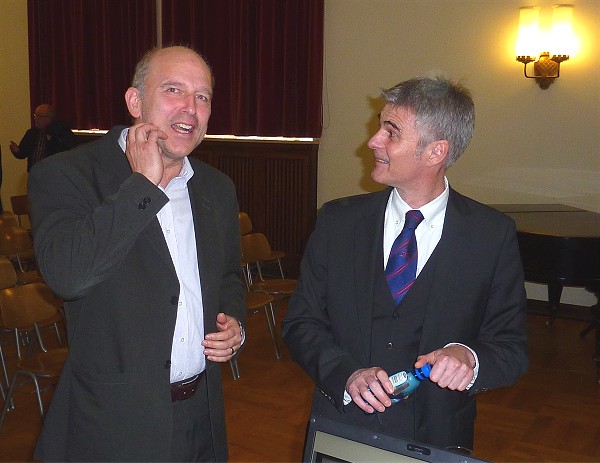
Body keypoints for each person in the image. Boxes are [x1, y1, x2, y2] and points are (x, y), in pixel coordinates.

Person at [282, 76, 528, 452]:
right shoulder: (338, 221)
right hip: (341, 429)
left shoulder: (491, 235)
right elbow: (302, 322)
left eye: (391, 132)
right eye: (380, 126)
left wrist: (469, 357)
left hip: (438, 437)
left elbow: (510, 348)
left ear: (435, 152)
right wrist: (345, 374)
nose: (373, 141)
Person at [28, 46, 246, 462]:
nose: (190, 108)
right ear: (135, 101)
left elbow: (229, 276)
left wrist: (234, 322)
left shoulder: (217, 188)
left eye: (202, 96)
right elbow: (69, 277)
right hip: (111, 426)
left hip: (201, 418)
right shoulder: (66, 175)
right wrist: (143, 186)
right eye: (173, 90)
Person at [10, 103, 75, 171]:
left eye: (39, 116)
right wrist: (17, 151)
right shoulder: (31, 133)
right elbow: (23, 153)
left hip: (53, 172)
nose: (36, 119)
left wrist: (51, 138)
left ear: (49, 118)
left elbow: (66, 152)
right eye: (35, 116)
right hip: (34, 172)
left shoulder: (61, 132)